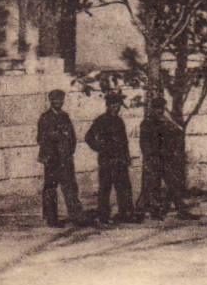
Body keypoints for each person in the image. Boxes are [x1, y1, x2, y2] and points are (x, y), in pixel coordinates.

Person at [139, 95, 196, 220]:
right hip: (154, 159)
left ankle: (181, 210)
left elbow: (176, 134)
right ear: (152, 109)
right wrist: (150, 156)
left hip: (165, 159)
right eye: (157, 108)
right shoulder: (147, 123)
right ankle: (152, 212)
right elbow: (144, 143)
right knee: (153, 186)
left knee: (173, 184)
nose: (160, 111)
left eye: (161, 108)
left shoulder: (165, 122)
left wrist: (171, 124)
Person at [84, 91, 137, 225]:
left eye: (118, 104)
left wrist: (127, 157)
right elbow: (88, 137)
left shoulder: (119, 121)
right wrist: (100, 148)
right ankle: (104, 216)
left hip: (120, 159)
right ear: (108, 105)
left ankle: (124, 213)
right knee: (105, 188)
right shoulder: (101, 120)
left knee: (123, 187)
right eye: (113, 104)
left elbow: (124, 141)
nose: (116, 107)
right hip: (106, 160)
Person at [37, 89, 86, 228]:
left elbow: (72, 137)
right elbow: (40, 138)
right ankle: (51, 219)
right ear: (51, 101)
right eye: (55, 100)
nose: (58, 102)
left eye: (61, 100)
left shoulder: (65, 117)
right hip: (52, 159)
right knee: (51, 188)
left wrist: (69, 152)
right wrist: (56, 137)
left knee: (70, 187)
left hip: (66, 158)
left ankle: (76, 216)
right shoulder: (45, 117)